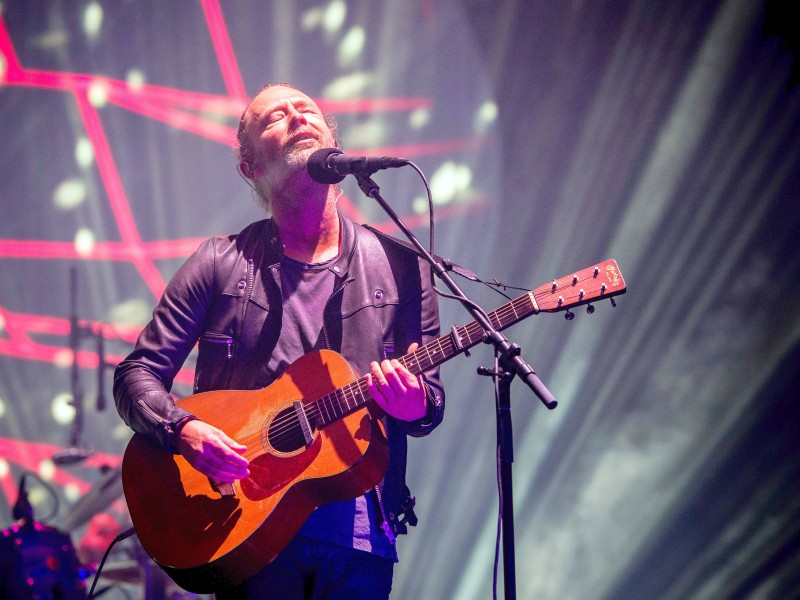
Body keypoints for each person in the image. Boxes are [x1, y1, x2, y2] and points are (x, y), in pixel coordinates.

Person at [113, 83, 445, 599]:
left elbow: (428, 407)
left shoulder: (402, 266)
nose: (295, 117)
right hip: (244, 527)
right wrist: (184, 431)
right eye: (274, 117)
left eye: (306, 109)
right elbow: (136, 376)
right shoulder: (220, 262)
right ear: (250, 167)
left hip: (360, 536)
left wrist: (413, 401)